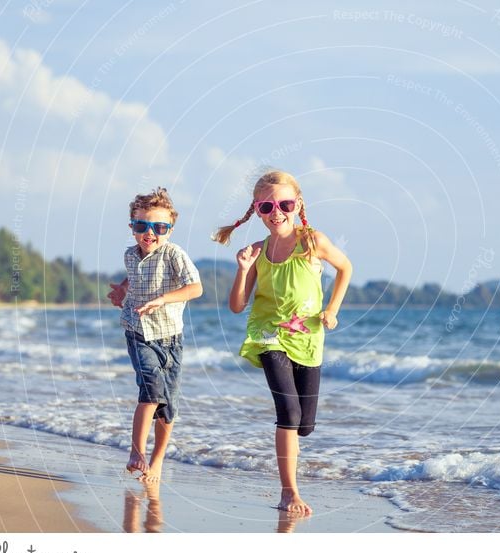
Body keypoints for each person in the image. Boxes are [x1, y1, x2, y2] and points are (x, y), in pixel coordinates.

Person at [213, 170, 352, 515]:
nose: (277, 212)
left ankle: (293, 451)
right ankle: (289, 491)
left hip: (308, 339)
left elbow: (345, 268)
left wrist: (332, 310)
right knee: (287, 413)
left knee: (304, 425)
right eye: (267, 206)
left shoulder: (312, 242)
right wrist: (243, 270)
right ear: (257, 210)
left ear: (298, 204)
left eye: (284, 204)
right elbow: (236, 306)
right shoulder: (257, 252)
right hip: (268, 334)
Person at [108, 187, 202, 483]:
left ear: (169, 230)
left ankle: (157, 461)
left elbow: (195, 288)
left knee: (168, 405)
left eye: (159, 227)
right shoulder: (130, 255)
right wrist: (123, 289)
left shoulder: (174, 254)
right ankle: (137, 452)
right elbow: (134, 275)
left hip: (170, 337)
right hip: (137, 331)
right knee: (151, 389)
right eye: (142, 226)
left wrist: (163, 299)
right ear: (133, 228)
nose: (150, 233)